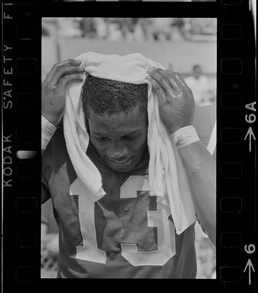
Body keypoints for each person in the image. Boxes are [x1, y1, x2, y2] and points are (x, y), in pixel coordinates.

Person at [41, 58, 216, 278]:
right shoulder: (59, 138)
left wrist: (183, 132)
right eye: (102, 137)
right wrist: (44, 125)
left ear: (152, 119)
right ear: (85, 122)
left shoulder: (184, 127)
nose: (117, 152)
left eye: (130, 136)